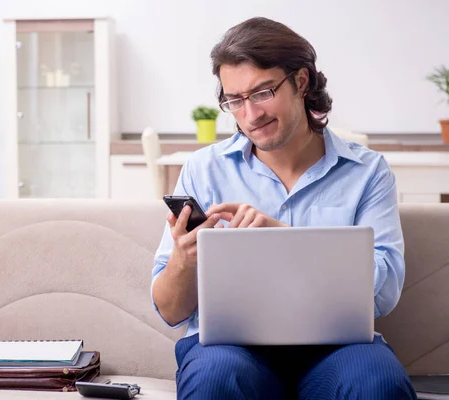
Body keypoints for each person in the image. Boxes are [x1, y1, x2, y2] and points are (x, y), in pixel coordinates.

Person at [151, 17, 417, 399]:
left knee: (376, 382)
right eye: (235, 100)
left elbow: (385, 292)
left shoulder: (367, 172)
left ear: (302, 82)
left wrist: (283, 239)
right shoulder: (202, 170)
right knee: (214, 377)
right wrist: (184, 260)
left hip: (337, 347)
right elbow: (169, 311)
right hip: (229, 349)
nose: (250, 115)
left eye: (262, 93)